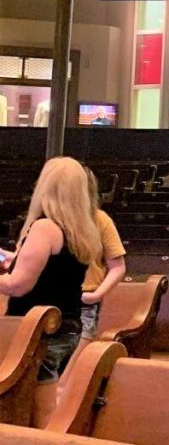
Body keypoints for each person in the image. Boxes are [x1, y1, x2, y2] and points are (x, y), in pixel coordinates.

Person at [0, 157, 102, 427]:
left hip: (39, 331)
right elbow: (55, 272)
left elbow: (19, 284)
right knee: (38, 406)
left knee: (43, 410)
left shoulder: (45, 227)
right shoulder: (80, 230)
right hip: (67, 328)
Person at [59, 168, 126, 388]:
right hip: (50, 301)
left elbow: (117, 266)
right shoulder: (50, 220)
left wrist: (97, 294)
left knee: (67, 380)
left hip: (83, 303)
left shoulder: (100, 220)